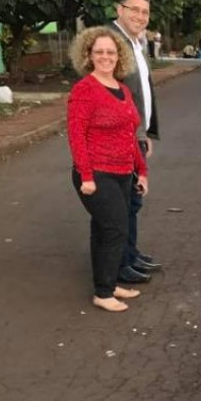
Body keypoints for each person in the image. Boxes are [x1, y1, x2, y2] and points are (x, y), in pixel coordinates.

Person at [67, 27, 147, 313]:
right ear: (88, 55)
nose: (105, 57)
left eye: (110, 52)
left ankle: (109, 283)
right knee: (115, 229)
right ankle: (103, 292)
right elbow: (76, 135)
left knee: (103, 229)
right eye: (99, 51)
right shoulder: (84, 90)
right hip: (96, 173)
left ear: (119, 56)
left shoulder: (122, 88)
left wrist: (143, 171)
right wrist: (86, 176)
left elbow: (130, 133)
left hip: (123, 171)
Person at [108, 0, 162, 284]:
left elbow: (140, 91)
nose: (140, 16)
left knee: (133, 198)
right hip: (119, 137)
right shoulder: (111, 42)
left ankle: (131, 254)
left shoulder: (134, 42)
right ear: (120, 9)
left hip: (134, 134)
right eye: (134, 9)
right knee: (123, 202)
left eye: (145, 11)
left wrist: (145, 133)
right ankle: (119, 264)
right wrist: (131, 135)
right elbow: (108, 92)